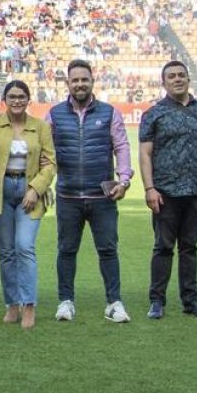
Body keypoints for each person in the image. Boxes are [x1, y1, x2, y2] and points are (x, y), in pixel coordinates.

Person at [139, 61, 197, 320]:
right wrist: (149, 188)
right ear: (164, 82)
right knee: (163, 247)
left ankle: (191, 301)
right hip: (165, 192)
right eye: (171, 76)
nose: (177, 79)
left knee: (190, 247)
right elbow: (145, 153)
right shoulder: (154, 114)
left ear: (188, 79)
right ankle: (157, 301)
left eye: (181, 75)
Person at [47, 59, 134, 323]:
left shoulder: (110, 113)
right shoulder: (53, 114)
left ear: (92, 81)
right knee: (66, 250)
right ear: (68, 83)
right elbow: (45, 153)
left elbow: (121, 146)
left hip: (102, 197)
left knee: (108, 250)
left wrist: (124, 179)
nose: (80, 84)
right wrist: (42, 184)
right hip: (68, 196)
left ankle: (114, 303)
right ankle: (65, 302)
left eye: (84, 79)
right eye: (75, 80)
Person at [0, 80, 56, 329]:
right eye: (12, 96)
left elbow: (50, 162)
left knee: (24, 247)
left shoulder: (41, 127)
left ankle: (29, 305)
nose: (17, 100)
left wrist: (36, 189)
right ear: (4, 99)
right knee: (6, 252)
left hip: (28, 191)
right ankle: (12, 304)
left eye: (21, 96)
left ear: (28, 99)